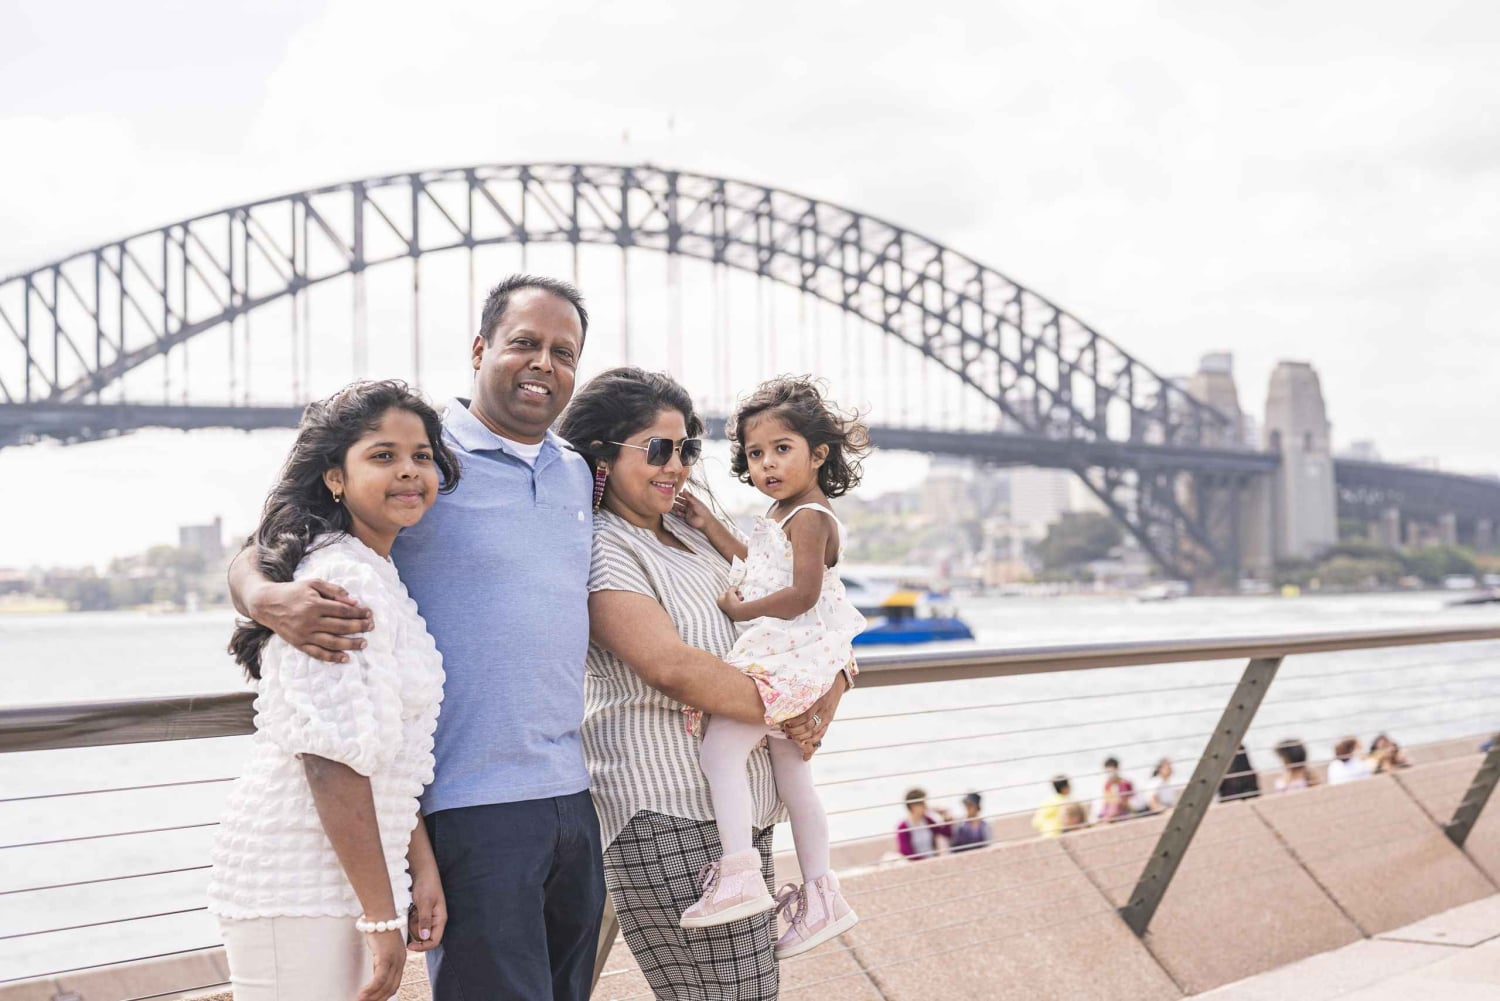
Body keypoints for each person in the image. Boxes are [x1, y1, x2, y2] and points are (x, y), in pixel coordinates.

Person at [228, 276, 607, 1000]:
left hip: (571, 795)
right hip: (468, 805)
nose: (543, 362)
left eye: (563, 351)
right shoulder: (422, 456)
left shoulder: (576, 474)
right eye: (524, 341)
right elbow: (271, 541)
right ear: (479, 348)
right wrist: (268, 596)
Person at [559, 367, 849, 1001]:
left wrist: (828, 694)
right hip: (664, 811)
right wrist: (788, 707)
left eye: (687, 448)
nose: (678, 466)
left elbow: (813, 616)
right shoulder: (604, 547)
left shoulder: (695, 533)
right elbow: (673, 667)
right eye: (658, 449)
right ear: (603, 454)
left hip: (735, 817)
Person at [207, 381, 460, 1001]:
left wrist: (417, 867)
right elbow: (331, 763)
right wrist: (381, 917)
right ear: (335, 478)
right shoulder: (342, 576)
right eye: (383, 456)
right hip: (299, 878)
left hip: (345, 875)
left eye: (421, 456)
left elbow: (386, 757)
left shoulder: (373, 571)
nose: (408, 470)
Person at [667, 376, 868, 957]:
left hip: (786, 655)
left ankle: (739, 873)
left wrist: (740, 609)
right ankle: (821, 895)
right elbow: (762, 566)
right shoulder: (785, 513)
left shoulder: (809, 515)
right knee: (793, 777)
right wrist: (709, 527)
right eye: (756, 454)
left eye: (783, 449)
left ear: (818, 453)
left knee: (721, 750)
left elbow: (801, 594)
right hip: (797, 658)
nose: (768, 463)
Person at [896, 787, 953, 859]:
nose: (926, 806)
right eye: (922, 803)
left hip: (932, 860)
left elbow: (946, 834)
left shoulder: (927, 820)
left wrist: (946, 817)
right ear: (913, 806)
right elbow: (906, 852)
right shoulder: (903, 826)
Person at [1095, 756, 1137, 822]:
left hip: (1124, 812)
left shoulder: (1125, 783)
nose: (1109, 774)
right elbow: (1106, 802)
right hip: (1110, 812)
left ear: (1117, 769)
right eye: (1107, 772)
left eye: (1111, 771)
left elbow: (1130, 803)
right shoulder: (1107, 784)